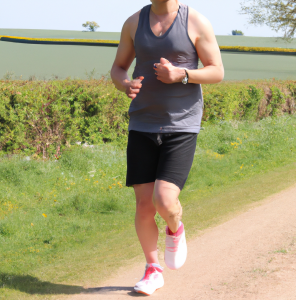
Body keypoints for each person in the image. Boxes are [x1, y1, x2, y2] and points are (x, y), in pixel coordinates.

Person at [111, 0, 224, 295]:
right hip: (142, 122)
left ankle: (175, 227)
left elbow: (217, 71)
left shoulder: (196, 21)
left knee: (164, 200)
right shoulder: (134, 22)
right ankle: (153, 269)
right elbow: (118, 67)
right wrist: (124, 84)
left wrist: (182, 75)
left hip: (181, 124)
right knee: (144, 204)